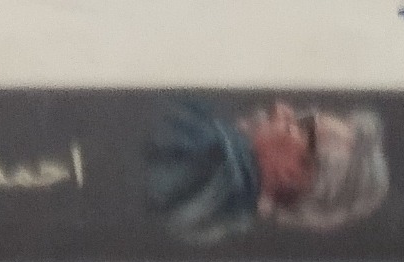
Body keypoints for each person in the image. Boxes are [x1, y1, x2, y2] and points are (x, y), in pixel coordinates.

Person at [145, 97, 390, 243]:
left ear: (294, 176)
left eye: (300, 126)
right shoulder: (222, 208)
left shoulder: (201, 167)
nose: (280, 108)